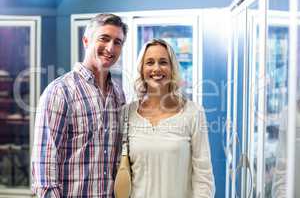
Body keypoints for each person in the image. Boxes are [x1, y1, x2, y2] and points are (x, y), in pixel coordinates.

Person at [31, 13, 128, 197]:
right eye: (104, 39)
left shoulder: (118, 94)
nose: (110, 48)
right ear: (86, 41)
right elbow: (44, 165)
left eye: (117, 42)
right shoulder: (60, 91)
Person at [121, 38, 215, 198]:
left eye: (163, 62)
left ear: (172, 69)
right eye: (149, 62)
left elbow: (203, 177)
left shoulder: (193, 112)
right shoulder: (126, 113)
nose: (156, 68)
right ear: (141, 70)